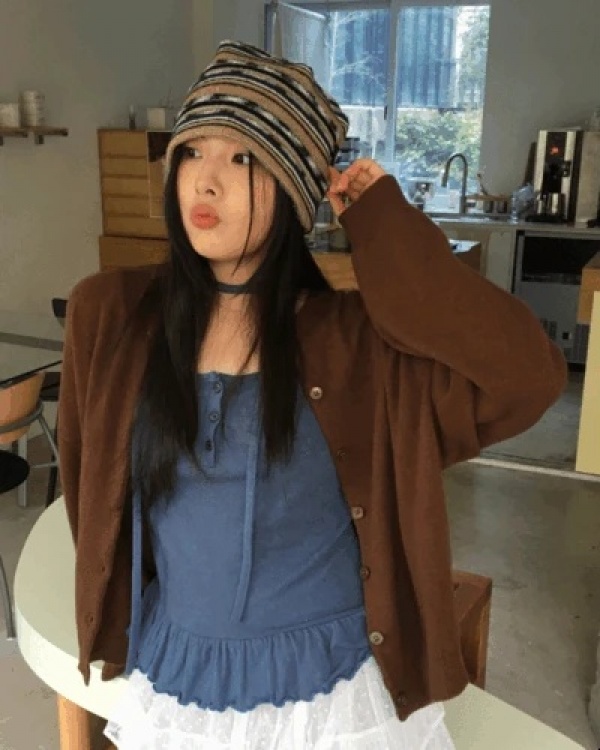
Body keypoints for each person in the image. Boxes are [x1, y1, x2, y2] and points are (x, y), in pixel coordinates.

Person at [58, 41, 567, 749]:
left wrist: (383, 224)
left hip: (331, 692)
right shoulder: (112, 315)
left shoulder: (359, 346)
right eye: (192, 151)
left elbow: (528, 376)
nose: (206, 181)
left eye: (243, 158)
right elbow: (88, 483)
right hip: (179, 675)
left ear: (295, 190)